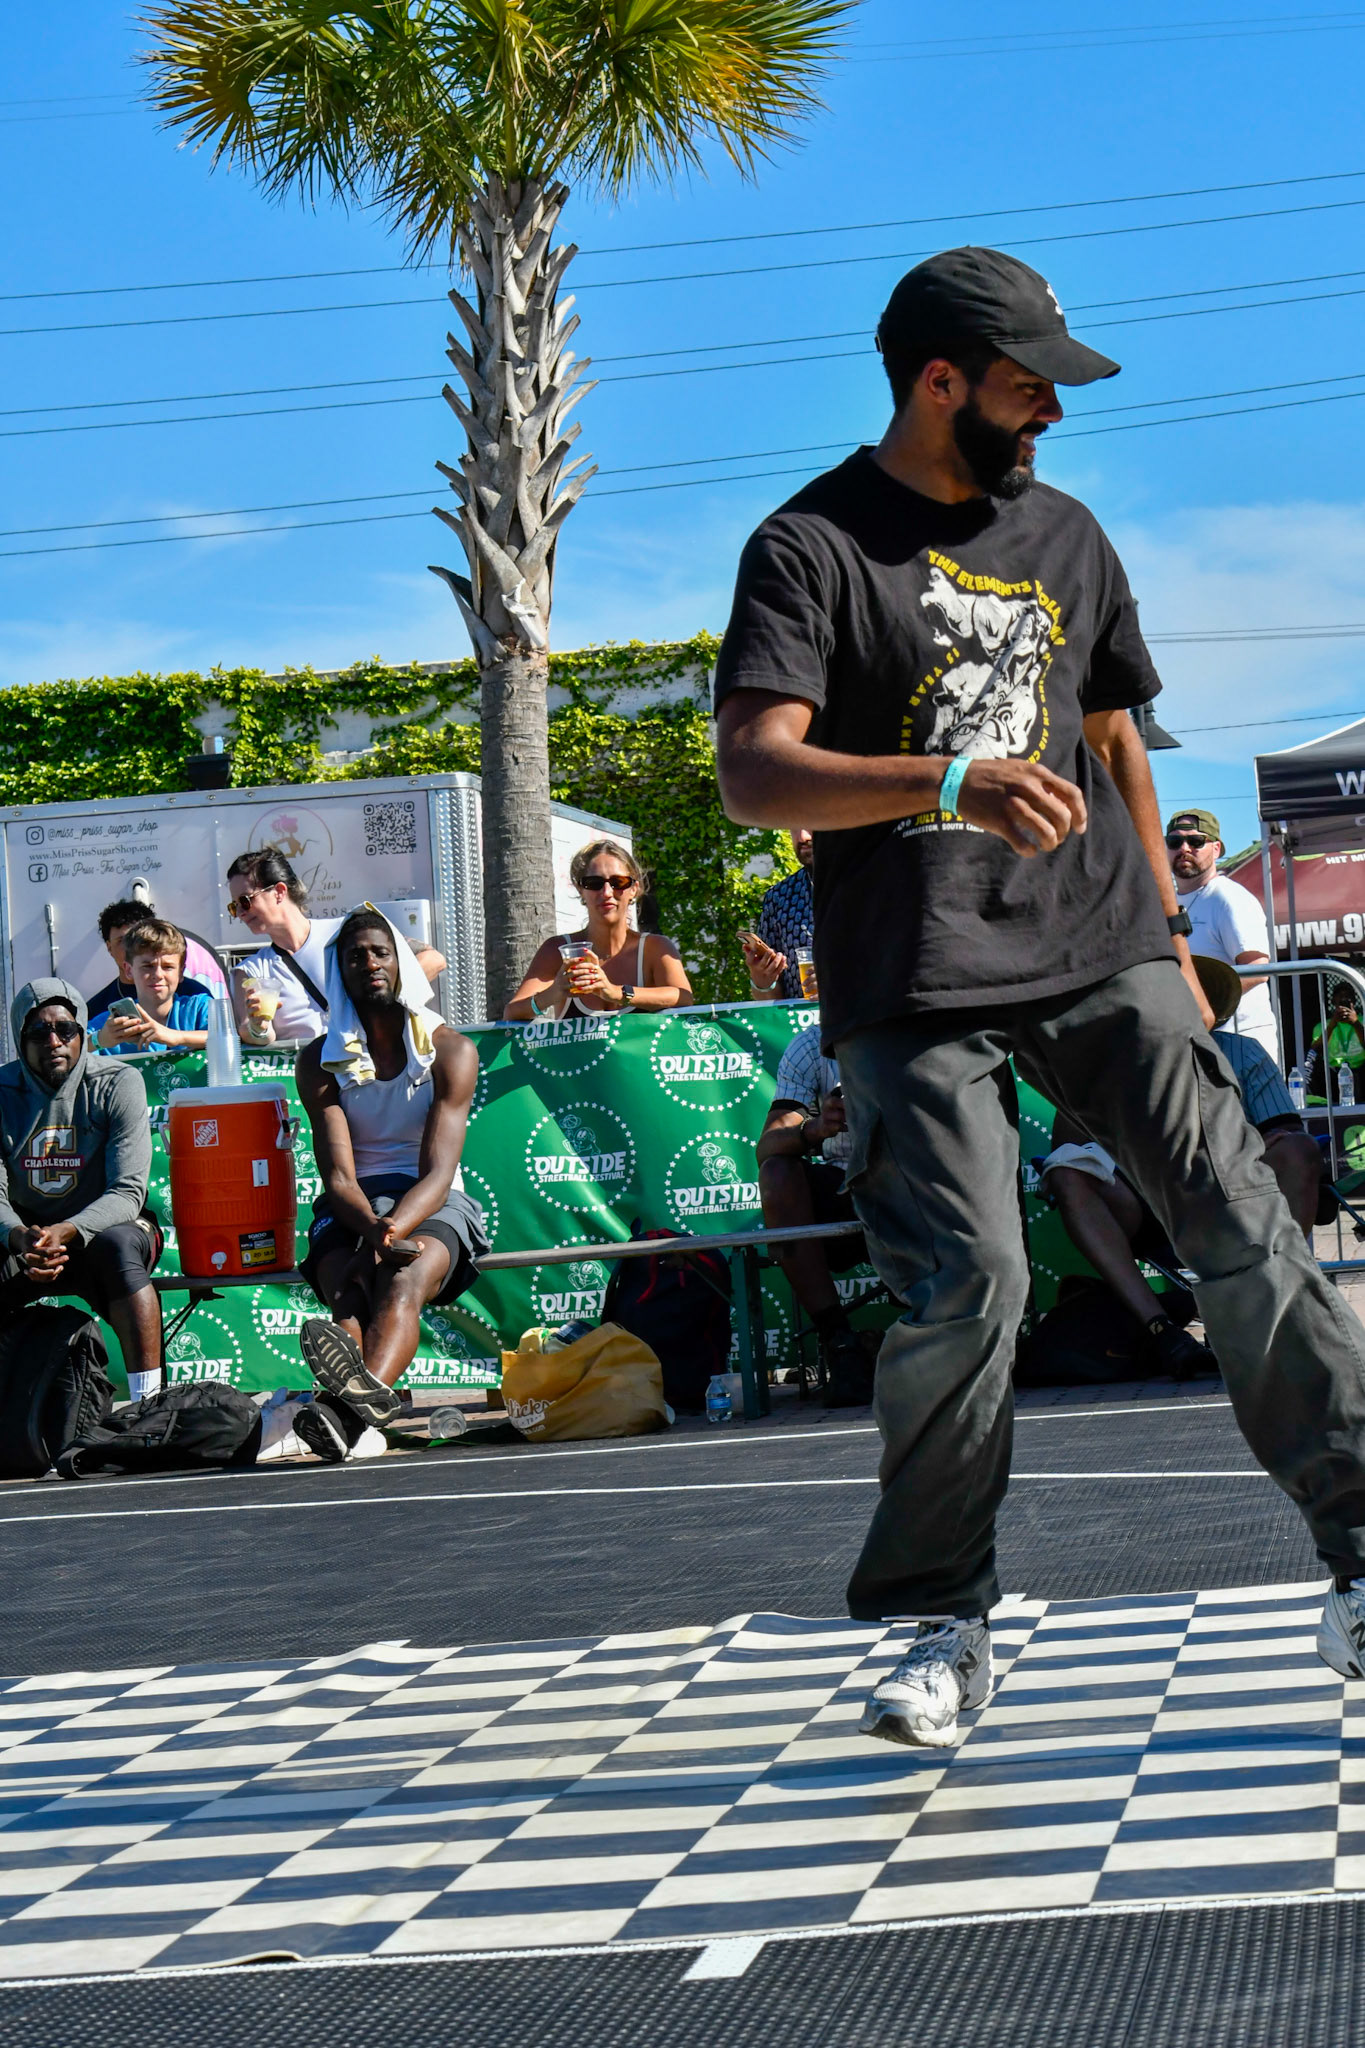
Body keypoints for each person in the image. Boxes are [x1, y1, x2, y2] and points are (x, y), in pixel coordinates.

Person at [712, 242, 1365, 1749]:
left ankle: (1361, 1558)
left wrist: (1172, 943)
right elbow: (755, 770)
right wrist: (947, 780)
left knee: (1242, 1221)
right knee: (972, 1281)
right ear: (939, 382)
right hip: (915, 966)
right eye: (1027, 388)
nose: (1052, 414)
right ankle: (944, 1622)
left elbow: (1116, 739)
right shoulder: (809, 546)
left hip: (1099, 941)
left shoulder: (1067, 533)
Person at [293, 907, 488, 1459]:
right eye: (355, 956)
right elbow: (338, 1175)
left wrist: (387, 1233)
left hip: (432, 1203)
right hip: (353, 1205)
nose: (370, 963)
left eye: (381, 952)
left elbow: (438, 1174)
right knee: (348, 1292)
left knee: (400, 1282)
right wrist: (370, 1231)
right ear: (339, 973)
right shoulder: (318, 1061)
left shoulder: (451, 1050)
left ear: (402, 962)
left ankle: (343, 1414)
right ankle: (353, 1419)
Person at [1043, 1016, 1323, 1377]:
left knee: (1299, 1150)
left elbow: (1286, 1133)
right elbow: (1065, 1147)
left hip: (1234, 1198)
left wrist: (1242, 1149)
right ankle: (1161, 1331)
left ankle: (1272, 1313)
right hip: (1145, 1202)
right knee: (1067, 1173)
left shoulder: (1241, 1051)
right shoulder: (1111, 1055)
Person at [0, 980, 164, 1402]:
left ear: (81, 1032)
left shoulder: (117, 1081)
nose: (54, 1042)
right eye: (39, 1032)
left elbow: (127, 1191)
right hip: (30, 1238)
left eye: (65, 1030)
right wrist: (21, 1237)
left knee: (119, 1249)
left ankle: (148, 1403)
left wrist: (68, 1230)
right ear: (19, 1038)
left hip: (108, 1226)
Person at [757, 1021, 877, 1406]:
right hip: (848, 1184)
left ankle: (948, 1326)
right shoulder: (812, 1044)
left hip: (920, 1179)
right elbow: (767, 1145)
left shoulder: (917, 1025)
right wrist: (816, 1128)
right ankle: (839, 1342)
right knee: (777, 1172)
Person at [226, 849, 446, 1046]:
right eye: (234, 907)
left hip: (371, 1065)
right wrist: (259, 1027)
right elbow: (249, 1031)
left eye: (245, 901)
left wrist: (385, 998)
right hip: (311, 1073)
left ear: (279, 892)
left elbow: (433, 959)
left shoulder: (346, 931)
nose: (240, 913)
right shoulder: (250, 970)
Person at [503, 841, 693, 1021]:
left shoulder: (654, 948)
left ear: (634, 889)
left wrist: (616, 992)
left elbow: (683, 997)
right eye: (594, 883)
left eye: (618, 882)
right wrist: (554, 993)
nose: (607, 892)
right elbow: (512, 1012)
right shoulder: (557, 949)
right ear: (580, 890)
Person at [1167, 809, 1278, 1060]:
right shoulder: (1167, 903)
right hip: (1194, 1041)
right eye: (1174, 841)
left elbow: (1258, 969)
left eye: (1196, 841)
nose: (1184, 848)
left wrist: (1203, 1004)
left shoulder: (1229, 898)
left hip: (1240, 1042)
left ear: (1216, 849)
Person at [89, 920, 211, 1054]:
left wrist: (177, 1037)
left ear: (181, 972)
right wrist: (99, 1040)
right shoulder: (113, 1023)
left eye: (168, 967)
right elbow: (75, 1046)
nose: (158, 975)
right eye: (147, 966)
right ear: (129, 970)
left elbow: (225, 1036)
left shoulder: (199, 1008)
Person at [87, 897, 222, 1016]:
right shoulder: (97, 1009)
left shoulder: (195, 996)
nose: (130, 947)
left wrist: (168, 1034)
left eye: (139, 940)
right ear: (109, 947)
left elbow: (218, 1032)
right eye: (121, 941)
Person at [741, 828, 814, 1000]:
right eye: (794, 826)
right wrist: (762, 981)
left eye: (811, 823)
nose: (802, 837)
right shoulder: (780, 897)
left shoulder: (872, 888)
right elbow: (770, 1000)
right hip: (798, 1018)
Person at [1307, 978, 1365, 1107]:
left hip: (1361, 1071)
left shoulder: (1363, 1021)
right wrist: (1333, 1024)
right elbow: (1315, 1050)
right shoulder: (1323, 1025)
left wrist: (1356, 1023)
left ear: (1354, 1001)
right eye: (1340, 998)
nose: (1344, 999)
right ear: (1333, 1001)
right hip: (1333, 1074)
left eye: (1348, 998)